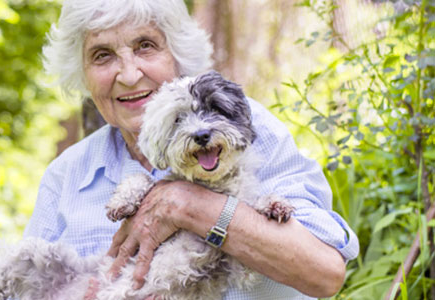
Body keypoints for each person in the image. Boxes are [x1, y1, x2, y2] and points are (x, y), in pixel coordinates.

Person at [24, 0, 359, 298]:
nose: (127, 74)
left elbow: (324, 274)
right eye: (102, 55)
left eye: (145, 45)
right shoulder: (68, 174)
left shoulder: (243, 125)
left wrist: (190, 205)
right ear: (82, 73)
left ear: (177, 54)